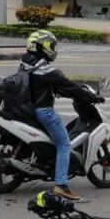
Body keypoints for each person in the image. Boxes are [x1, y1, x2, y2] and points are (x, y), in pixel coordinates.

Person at [22, 29, 101, 201]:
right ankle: (62, 185)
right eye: (51, 45)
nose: (53, 49)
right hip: (44, 111)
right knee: (64, 144)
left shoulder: (27, 63)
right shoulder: (44, 68)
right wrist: (90, 96)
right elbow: (69, 85)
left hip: (28, 109)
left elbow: (47, 85)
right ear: (42, 47)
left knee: (55, 140)